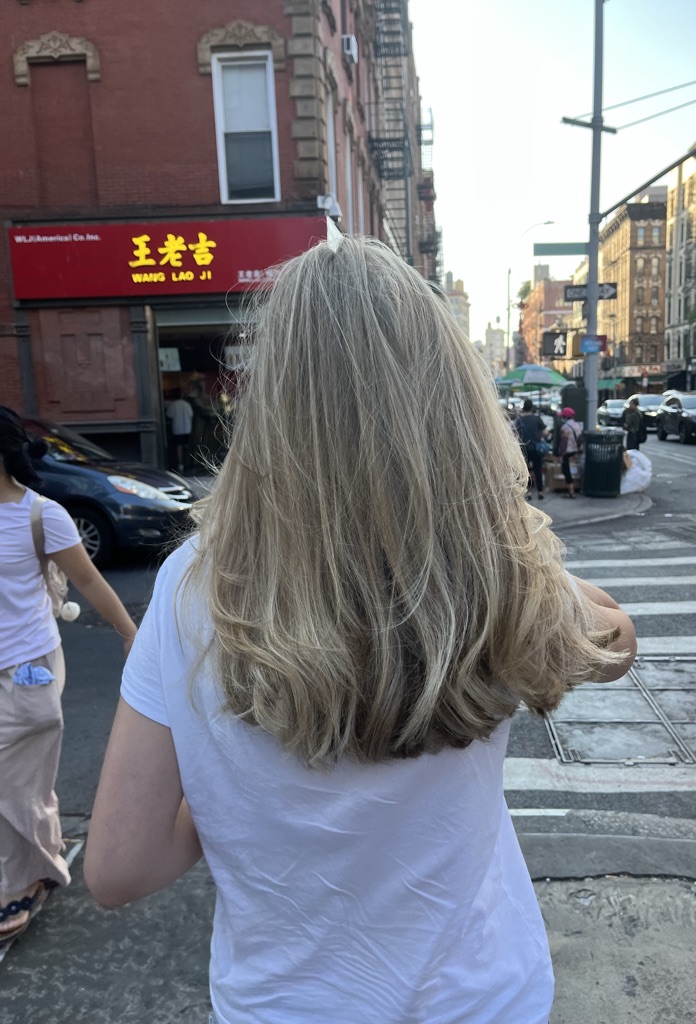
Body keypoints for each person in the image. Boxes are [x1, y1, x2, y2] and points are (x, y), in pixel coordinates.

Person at [84, 237, 636, 1024]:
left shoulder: (190, 586)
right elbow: (614, 642)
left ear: (271, 403)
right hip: (483, 999)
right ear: (452, 400)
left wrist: (229, 795)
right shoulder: (493, 567)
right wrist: (522, 569)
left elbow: (118, 869)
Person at [0, 407, 137, 946]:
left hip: (27, 669)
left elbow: (91, 581)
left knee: (12, 785)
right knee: (25, 780)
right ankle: (46, 851)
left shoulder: (41, 515)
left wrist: (132, 636)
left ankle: (17, 884)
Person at [516, 398, 548, 500]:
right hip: (536, 448)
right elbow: (545, 432)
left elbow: (515, 434)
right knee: (538, 469)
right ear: (532, 408)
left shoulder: (519, 420)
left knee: (525, 470)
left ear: (523, 408)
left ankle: (528, 492)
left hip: (523, 448)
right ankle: (540, 492)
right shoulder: (537, 418)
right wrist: (538, 436)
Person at [165, 389, 194, 473]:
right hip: (187, 428)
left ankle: (180, 464)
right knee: (186, 446)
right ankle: (187, 463)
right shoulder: (187, 404)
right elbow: (191, 415)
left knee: (179, 447)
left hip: (177, 429)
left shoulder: (173, 405)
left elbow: (169, 416)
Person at [558, 406, 583, 499]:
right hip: (574, 450)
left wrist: (561, 454)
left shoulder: (565, 427)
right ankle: (573, 489)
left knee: (566, 471)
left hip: (567, 451)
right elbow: (580, 439)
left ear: (565, 416)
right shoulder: (577, 425)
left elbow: (564, 442)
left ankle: (571, 491)